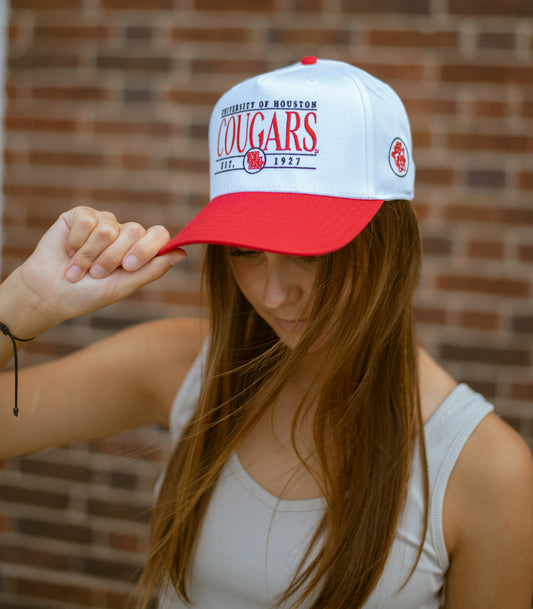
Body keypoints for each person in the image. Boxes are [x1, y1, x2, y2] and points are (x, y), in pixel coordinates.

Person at [0, 57, 531, 609]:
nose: (273, 294)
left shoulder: (485, 470)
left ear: (389, 240)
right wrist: (25, 302)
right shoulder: (188, 368)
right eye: (246, 250)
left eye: (309, 250)